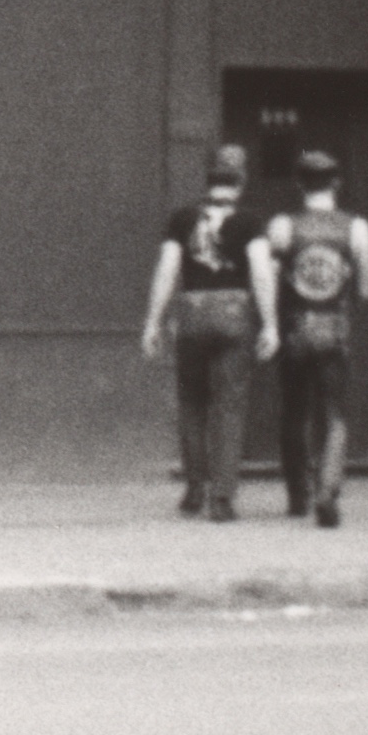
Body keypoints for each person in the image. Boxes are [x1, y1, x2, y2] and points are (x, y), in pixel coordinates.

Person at [249, 150, 368, 529]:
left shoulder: (283, 225)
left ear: (300, 184)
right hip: (334, 328)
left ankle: (297, 496)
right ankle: (328, 490)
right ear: (337, 183)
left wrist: (270, 324)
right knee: (334, 414)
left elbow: (268, 281)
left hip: (295, 329)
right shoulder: (357, 227)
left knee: (295, 411)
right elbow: (365, 288)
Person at [140, 145, 258, 521]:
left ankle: (194, 490)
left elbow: (167, 269)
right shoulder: (250, 221)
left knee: (192, 402)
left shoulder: (183, 218)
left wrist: (153, 321)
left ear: (208, 177)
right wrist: (270, 321)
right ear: (241, 180)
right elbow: (262, 271)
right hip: (233, 312)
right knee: (229, 406)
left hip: (191, 312)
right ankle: (222, 498)